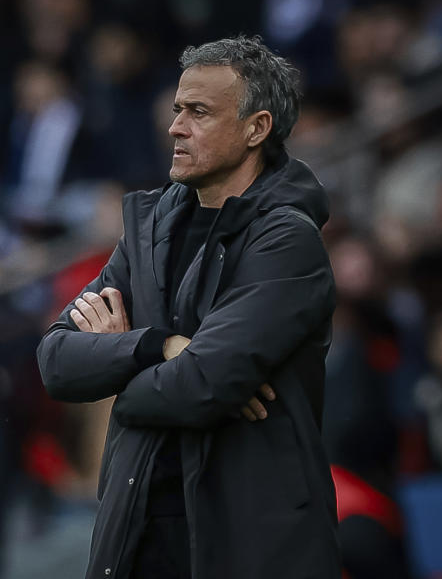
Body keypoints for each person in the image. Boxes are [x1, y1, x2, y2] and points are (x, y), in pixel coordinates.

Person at [36, 36, 339, 579]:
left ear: (257, 128)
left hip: (244, 545)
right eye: (177, 109)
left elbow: (202, 386)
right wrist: (160, 345)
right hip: (137, 535)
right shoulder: (147, 229)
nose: (175, 127)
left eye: (198, 112)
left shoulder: (287, 241)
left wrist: (120, 371)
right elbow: (56, 360)